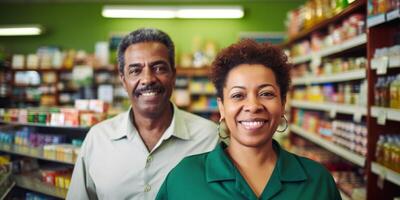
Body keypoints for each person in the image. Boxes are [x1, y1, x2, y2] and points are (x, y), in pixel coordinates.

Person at [156, 39, 342, 200]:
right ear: (222, 107)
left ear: (283, 103)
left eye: (266, 93)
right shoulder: (184, 178)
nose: (253, 106)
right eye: (238, 95)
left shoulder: (318, 181)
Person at [67, 28, 218, 200]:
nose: (148, 79)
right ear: (123, 80)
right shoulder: (98, 139)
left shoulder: (210, 138)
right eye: (135, 70)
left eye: (159, 68)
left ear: (173, 76)